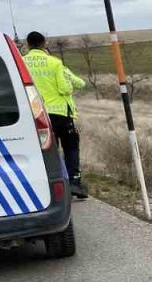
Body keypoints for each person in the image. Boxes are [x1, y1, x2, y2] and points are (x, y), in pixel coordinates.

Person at [23, 31, 89, 199]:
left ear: (27, 44)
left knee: (46, 150)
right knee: (71, 147)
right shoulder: (55, 63)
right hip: (60, 114)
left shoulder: (21, 63)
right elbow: (64, 88)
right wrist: (69, 89)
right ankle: (74, 183)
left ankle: (49, 184)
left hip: (36, 115)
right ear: (44, 44)